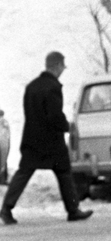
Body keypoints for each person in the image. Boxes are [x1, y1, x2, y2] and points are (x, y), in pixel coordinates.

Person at [1, 51, 92, 225]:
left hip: (32, 138)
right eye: (62, 67)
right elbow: (54, 115)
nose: (62, 70)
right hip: (51, 142)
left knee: (24, 173)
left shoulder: (32, 86)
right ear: (56, 66)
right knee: (64, 172)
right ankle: (73, 211)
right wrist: (66, 126)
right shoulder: (53, 87)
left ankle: (6, 209)